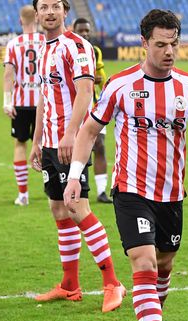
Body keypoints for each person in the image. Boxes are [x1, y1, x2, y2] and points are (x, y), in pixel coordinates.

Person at [63, 9, 188, 321]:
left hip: (172, 194)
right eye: (161, 44)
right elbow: (88, 132)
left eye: (174, 44)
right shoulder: (120, 85)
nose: (169, 51)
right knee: (145, 263)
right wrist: (75, 177)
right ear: (144, 43)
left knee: (164, 265)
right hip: (131, 190)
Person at [28, 0, 125, 312]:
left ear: (65, 11)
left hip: (73, 141)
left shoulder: (77, 45)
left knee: (76, 206)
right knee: (59, 209)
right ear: (37, 12)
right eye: (45, 6)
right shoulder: (42, 48)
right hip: (51, 144)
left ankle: (113, 283)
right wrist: (36, 140)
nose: (51, 11)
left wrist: (71, 134)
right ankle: (70, 285)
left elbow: (85, 93)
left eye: (56, 5)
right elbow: (44, 96)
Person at [3, 5, 45, 206]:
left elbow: (8, 74)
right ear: (37, 18)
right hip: (45, 103)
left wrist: (6, 102)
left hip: (20, 103)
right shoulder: (46, 41)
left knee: (20, 144)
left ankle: (23, 195)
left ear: (21, 21)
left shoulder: (13, 44)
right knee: (48, 146)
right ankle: (53, 191)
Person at [72, 17, 112, 204]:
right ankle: (68, 184)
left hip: (95, 108)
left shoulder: (95, 51)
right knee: (72, 150)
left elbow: (102, 79)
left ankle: (102, 191)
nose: (85, 34)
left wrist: (98, 80)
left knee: (100, 147)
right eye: (81, 30)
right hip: (74, 109)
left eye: (87, 30)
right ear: (74, 31)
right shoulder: (68, 49)